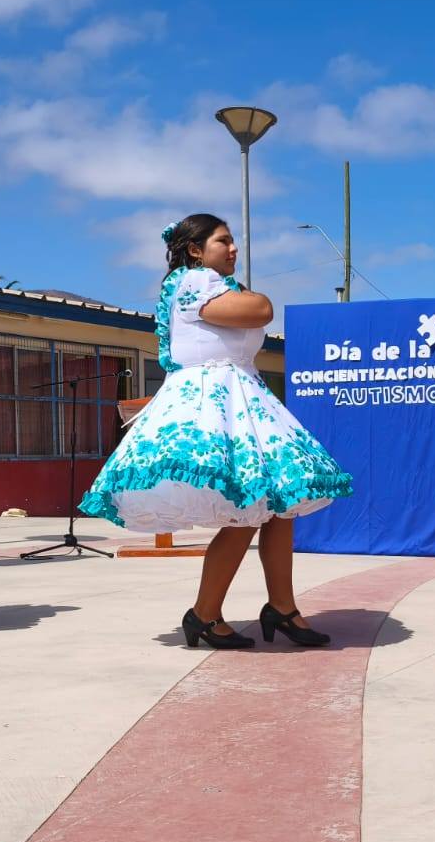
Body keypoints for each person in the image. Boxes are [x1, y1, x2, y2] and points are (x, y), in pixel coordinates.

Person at [80, 214, 352, 648]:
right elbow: (260, 310)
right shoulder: (194, 281)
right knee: (248, 509)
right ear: (195, 249)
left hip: (241, 396)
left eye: (232, 241)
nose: (233, 248)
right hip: (212, 400)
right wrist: (254, 297)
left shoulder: (212, 284)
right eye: (223, 241)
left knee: (280, 505)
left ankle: (281, 607)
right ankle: (204, 614)